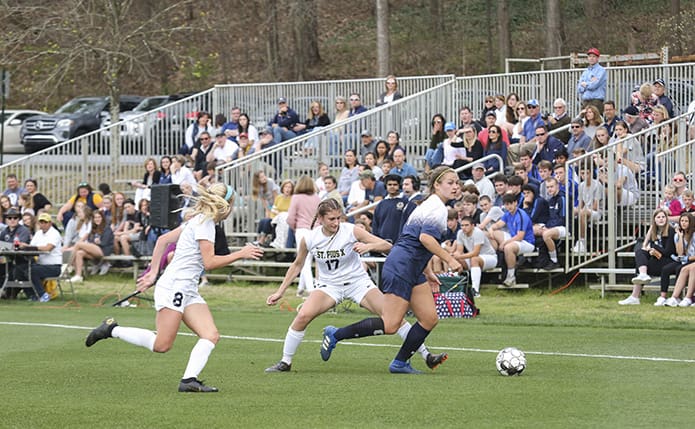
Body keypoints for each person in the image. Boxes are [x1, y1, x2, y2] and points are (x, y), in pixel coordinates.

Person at [85, 183, 264, 393]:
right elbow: (209, 263)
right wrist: (240, 253)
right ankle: (111, 329)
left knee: (210, 335)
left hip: (186, 289)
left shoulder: (198, 220)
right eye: (232, 204)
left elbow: (162, 241)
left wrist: (152, 273)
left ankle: (189, 380)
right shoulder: (204, 224)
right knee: (161, 345)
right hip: (175, 287)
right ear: (226, 206)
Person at [265, 198, 446, 373]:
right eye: (331, 219)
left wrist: (369, 247)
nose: (336, 223)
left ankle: (426, 355)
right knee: (303, 315)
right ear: (320, 219)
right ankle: (285, 362)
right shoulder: (310, 238)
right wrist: (280, 291)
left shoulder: (350, 230)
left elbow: (386, 245)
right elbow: (297, 264)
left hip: (358, 282)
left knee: (394, 318)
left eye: (339, 218)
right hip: (329, 286)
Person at [319, 166, 462, 374]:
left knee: (429, 318)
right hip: (402, 266)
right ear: (436, 185)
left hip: (411, 267)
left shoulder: (432, 205)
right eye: (450, 182)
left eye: (457, 182)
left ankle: (400, 362)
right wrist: (450, 259)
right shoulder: (437, 208)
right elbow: (425, 239)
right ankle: (335, 334)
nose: (455, 186)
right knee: (391, 325)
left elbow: (417, 241)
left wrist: (427, 270)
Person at [618, 208, 675, 305]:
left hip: (668, 261)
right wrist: (650, 250)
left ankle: (635, 296)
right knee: (640, 252)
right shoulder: (654, 231)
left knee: (641, 264)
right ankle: (642, 275)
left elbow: (668, 252)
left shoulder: (670, 230)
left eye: (663, 217)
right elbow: (651, 247)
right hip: (658, 258)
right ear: (654, 220)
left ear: (666, 219)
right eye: (658, 217)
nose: (661, 219)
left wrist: (653, 248)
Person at [490, 192, 535, 287]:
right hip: (514, 238)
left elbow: (520, 237)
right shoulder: (507, 214)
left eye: (510, 204)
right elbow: (499, 224)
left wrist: (505, 243)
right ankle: (497, 261)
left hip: (527, 242)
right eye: (506, 204)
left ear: (515, 203)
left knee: (508, 247)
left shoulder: (522, 215)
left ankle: (511, 276)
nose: (508, 206)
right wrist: (491, 228)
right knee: (494, 234)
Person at [286, 175, 321, 297]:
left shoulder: (296, 197)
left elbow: (290, 218)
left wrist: (294, 227)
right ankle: (301, 288)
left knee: (303, 261)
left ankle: (311, 290)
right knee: (308, 259)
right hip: (316, 230)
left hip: (302, 230)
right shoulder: (317, 198)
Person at [16, 212, 62, 302]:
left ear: (50, 223)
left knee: (32, 271)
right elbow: (32, 247)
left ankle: (43, 294)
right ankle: (32, 295)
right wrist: (25, 247)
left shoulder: (54, 233)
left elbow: (48, 248)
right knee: (19, 270)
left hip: (54, 266)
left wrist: (29, 247)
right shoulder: (38, 233)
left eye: (45, 222)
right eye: (41, 222)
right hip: (41, 265)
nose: (43, 224)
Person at [454, 216, 497, 297]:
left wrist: (459, 256)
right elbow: (459, 251)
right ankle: (453, 287)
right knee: (455, 260)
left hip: (490, 257)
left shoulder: (478, 232)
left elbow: (475, 253)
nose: (464, 228)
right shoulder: (460, 233)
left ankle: (475, 290)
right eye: (462, 225)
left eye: (466, 225)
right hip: (473, 258)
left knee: (474, 259)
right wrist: (454, 257)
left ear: (473, 226)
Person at [657, 213, 694, 306]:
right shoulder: (677, 235)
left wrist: (688, 258)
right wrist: (680, 237)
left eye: (686, 221)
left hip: (691, 259)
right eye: (682, 221)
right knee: (666, 269)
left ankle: (682, 297)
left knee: (680, 269)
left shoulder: (694, 235)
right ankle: (665, 297)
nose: (684, 223)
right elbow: (680, 252)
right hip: (683, 259)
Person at [67, 210, 114, 283]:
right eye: (95, 218)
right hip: (94, 250)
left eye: (99, 217)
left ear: (102, 218)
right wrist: (93, 242)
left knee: (78, 244)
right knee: (79, 253)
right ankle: (78, 276)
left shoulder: (107, 228)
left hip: (103, 250)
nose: (97, 219)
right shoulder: (93, 229)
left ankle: (68, 265)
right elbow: (90, 240)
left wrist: (98, 242)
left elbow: (105, 242)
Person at [0, 208, 32, 299]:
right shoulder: (4, 232)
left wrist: (7, 246)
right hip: (8, 259)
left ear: (19, 219)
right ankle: (4, 291)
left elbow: (18, 246)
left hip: (23, 260)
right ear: (6, 219)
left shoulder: (23, 230)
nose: (12, 220)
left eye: (15, 218)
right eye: (9, 218)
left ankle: (8, 292)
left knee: (14, 271)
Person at [372, 174, 405, 245]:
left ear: (399, 186)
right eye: (389, 184)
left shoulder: (405, 202)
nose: (392, 187)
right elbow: (375, 224)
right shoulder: (381, 204)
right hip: (382, 242)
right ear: (385, 186)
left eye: (395, 184)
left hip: (400, 242)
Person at [577, 47, 607, 115]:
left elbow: (594, 85)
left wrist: (585, 84)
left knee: (596, 122)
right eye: (590, 56)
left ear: (597, 58)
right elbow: (579, 88)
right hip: (585, 101)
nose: (591, 58)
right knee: (583, 121)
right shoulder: (585, 72)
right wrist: (589, 83)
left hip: (596, 101)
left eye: (594, 56)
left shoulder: (601, 70)